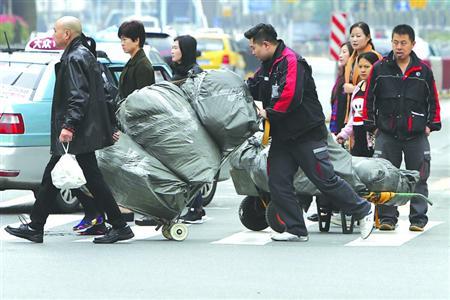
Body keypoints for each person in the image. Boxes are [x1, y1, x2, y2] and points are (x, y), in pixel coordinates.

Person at [4, 16, 134, 244]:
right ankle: (36, 226)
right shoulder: (83, 54)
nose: (53, 34)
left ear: (67, 34)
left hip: (77, 133)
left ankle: (119, 225)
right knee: (58, 178)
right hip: (82, 132)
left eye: (55, 31)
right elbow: (102, 92)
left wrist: (68, 126)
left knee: (80, 178)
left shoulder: (75, 57)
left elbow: (78, 96)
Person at [245, 23, 374, 242]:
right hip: (284, 136)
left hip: (306, 133)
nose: (252, 52)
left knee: (324, 180)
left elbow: (290, 96)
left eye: (253, 47)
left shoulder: (291, 61)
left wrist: (269, 113)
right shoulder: (268, 65)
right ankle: (296, 229)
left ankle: (364, 210)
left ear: (266, 44)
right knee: (277, 181)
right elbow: (254, 85)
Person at [73, 20, 156, 230]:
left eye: (125, 39)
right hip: (125, 123)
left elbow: (143, 100)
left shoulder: (143, 65)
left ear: (137, 40)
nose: (122, 43)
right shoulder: (132, 61)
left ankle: (134, 209)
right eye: (121, 39)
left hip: (134, 126)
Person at [363, 24, 441, 232]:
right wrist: (372, 126)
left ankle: (418, 219)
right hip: (387, 134)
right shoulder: (379, 69)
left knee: (420, 177)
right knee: (386, 178)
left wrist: (431, 125)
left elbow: (433, 99)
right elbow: (369, 98)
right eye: (395, 42)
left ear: (412, 44)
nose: (399, 47)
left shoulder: (423, 71)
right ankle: (388, 218)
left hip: (416, 135)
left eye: (403, 43)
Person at [134, 35, 206, 226]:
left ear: (186, 50)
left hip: (188, 130)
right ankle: (186, 208)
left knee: (186, 171)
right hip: (177, 127)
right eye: (172, 47)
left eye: (176, 47)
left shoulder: (194, 73)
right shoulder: (178, 70)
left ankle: (193, 209)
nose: (172, 51)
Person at [336, 52, 380, 157]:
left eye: (367, 66)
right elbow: (354, 116)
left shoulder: (379, 87)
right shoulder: (358, 87)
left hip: (373, 143)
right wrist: (344, 134)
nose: (363, 70)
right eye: (360, 67)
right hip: (357, 142)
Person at [344, 22, 382, 128]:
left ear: (368, 37)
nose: (354, 39)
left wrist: (354, 89)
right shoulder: (351, 59)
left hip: (368, 114)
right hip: (354, 112)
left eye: (358, 36)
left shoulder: (375, 58)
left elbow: (381, 86)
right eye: (352, 36)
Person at [329, 42, 354, 135]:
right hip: (336, 126)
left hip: (346, 127)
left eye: (344, 52)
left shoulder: (352, 77)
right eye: (340, 52)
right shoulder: (341, 76)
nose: (340, 55)